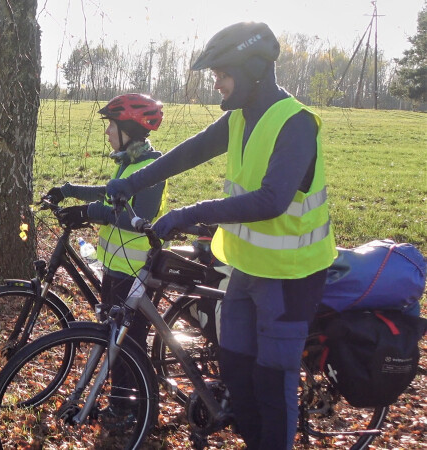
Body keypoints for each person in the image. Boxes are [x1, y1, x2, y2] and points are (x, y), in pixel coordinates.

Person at [106, 22, 336, 449]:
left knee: (272, 380)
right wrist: (133, 183)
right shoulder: (238, 119)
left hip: (291, 276)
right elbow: (189, 152)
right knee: (235, 372)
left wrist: (191, 212)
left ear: (252, 70)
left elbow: (272, 200)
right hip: (246, 268)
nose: (217, 86)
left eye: (222, 76)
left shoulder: (296, 123)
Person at [46, 93, 167, 415]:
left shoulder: (151, 167)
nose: (107, 132)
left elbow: (139, 216)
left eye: (111, 125)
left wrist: (88, 213)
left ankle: (130, 410)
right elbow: (107, 195)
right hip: (115, 267)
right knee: (115, 340)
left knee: (129, 343)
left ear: (128, 127)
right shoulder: (128, 164)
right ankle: (119, 405)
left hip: (137, 270)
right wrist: (68, 190)